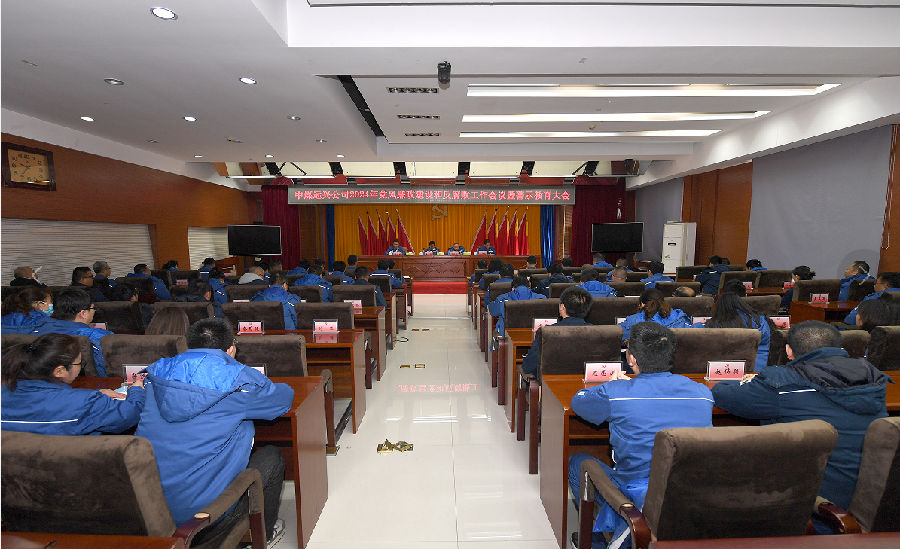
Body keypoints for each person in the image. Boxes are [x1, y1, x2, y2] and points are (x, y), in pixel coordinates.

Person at [134, 318, 293, 543]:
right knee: (272, 456)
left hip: (148, 509)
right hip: (203, 517)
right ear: (230, 348)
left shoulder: (157, 374)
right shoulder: (239, 380)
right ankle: (264, 535)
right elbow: (282, 400)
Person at [711, 321, 889, 517]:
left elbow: (723, 394)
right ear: (839, 348)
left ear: (789, 351)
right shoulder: (873, 378)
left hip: (816, 508)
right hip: (875, 504)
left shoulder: (783, 383)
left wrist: (748, 381)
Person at [569, 323, 714, 548]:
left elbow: (578, 402)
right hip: (689, 489)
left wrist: (613, 385)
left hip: (637, 491)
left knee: (577, 462)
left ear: (631, 359)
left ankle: (597, 540)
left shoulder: (616, 394)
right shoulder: (703, 393)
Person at [1, 333, 145, 435]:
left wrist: (95, 396)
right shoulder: (85, 403)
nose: (80, 367)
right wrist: (137, 390)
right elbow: (129, 415)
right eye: (79, 363)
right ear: (59, 371)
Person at [31, 289, 113, 377]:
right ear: (83, 313)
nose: (94, 311)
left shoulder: (36, 330)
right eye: (93, 308)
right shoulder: (100, 337)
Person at [701, 280, 771, 371]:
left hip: (719, 370)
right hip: (756, 369)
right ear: (745, 297)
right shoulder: (759, 320)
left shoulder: (711, 324)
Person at [521, 286, 591, 376]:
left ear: (562, 307)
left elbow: (528, 366)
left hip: (549, 381)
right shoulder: (599, 332)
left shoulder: (546, 332)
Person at [618, 287, 693, 341]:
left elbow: (616, 336)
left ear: (642, 303)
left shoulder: (633, 320)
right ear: (663, 301)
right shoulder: (680, 318)